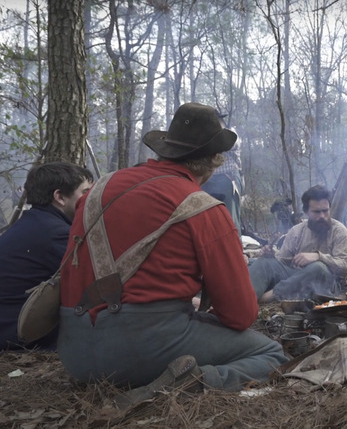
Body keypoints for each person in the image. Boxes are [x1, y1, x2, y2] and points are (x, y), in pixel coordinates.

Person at [57, 103, 287, 405]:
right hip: (140, 351)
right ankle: (192, 382)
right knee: (271, 354)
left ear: (165, 150)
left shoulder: (97, 190)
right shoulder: (202, 207)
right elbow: (241, 315)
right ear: (213, 161)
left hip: (74, 350)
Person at [0, 162, 93, 351]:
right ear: (59, 197)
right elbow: (93, 282)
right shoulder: (55, 234)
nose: (90, 198)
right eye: (84, 192)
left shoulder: (35, 223)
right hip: (20, 334)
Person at [249, 185, 347, 303]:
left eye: (325, 211)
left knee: (318, 267)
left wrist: (318, 257)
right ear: (306, 212)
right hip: (297, 279)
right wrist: (271, 255)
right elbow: (283, 261)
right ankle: (243, 303)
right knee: (263, 263)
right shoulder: (296, 231)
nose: (322, 216)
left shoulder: (339, 231)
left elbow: (344, 267)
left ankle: (268, 297)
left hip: (326, 283)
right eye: (316, 212)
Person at [201, 128, 243, 236]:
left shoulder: (231, 130)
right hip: (206, 180)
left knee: (229, 219)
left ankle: (234, 250)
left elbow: (233, 144)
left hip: (227, 179)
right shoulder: (203, 131)